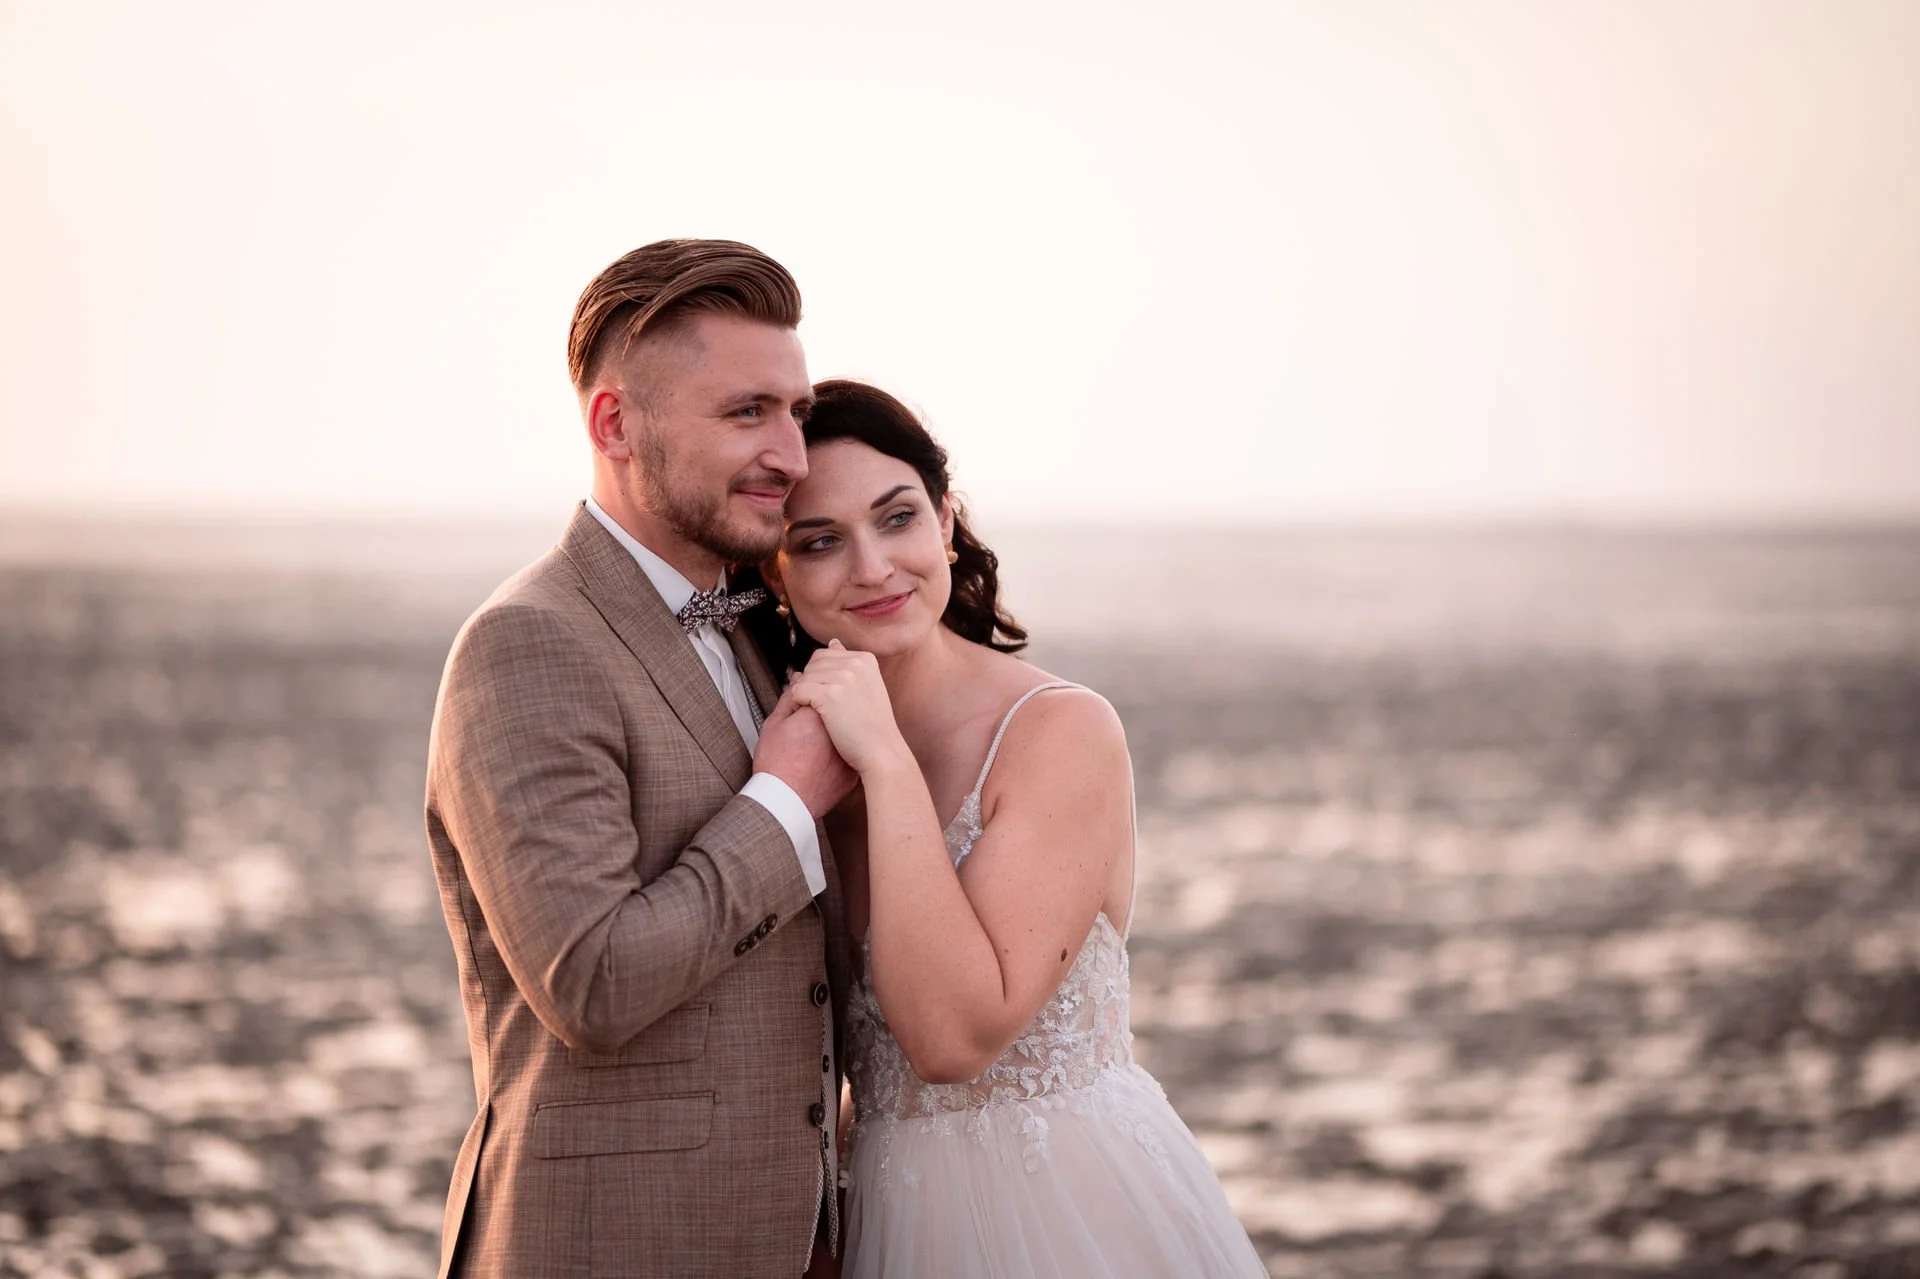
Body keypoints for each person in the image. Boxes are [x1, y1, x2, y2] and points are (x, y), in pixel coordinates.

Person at [761, 380, 1268, 1277]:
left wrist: (883, 761)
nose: (873, 567)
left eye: (898, 517)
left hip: (1073, 1216)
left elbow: (955, 1035)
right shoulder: (794, 759)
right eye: (821, 542)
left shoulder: (1060, 732)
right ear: (777, 572)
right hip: (889, 1217)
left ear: (946, 519)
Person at [424, 240, 858, 1278]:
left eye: (795, 412)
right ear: (615, 424)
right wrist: (785, 807)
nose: (792, 456)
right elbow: (596, 981)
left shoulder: (760, 625)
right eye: (746, 411)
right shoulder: (525, 643)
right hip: (604, 1241)